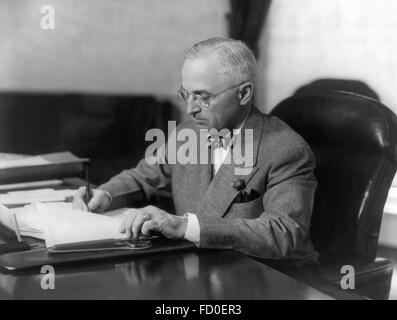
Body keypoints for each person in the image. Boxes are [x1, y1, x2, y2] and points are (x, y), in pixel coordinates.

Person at [73, 37, 318, 265]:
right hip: (203, 265)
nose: (190, 109)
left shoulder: (286, 149)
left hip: (273, 278)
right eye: (185, 94)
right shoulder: (189, 132)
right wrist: (104, 194)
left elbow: (284, 232)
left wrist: (184, 226)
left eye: (202, 97)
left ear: (244, 93)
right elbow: (146, 175)